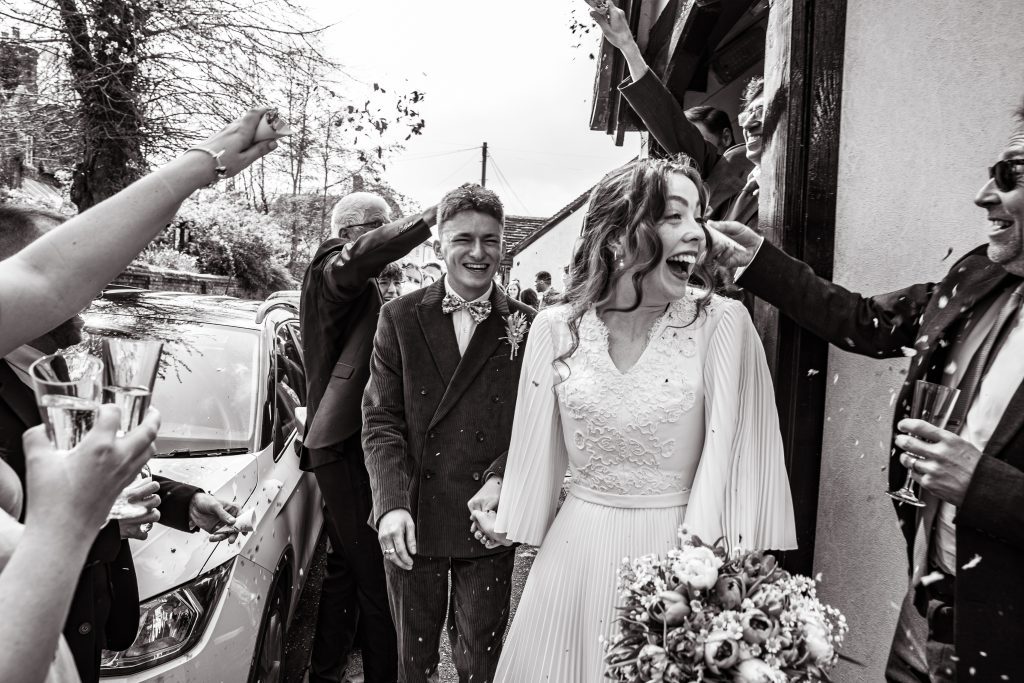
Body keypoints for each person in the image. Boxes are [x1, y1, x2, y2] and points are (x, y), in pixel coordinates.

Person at [705, 101, 1024, 682]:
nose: (983, 196)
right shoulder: (976, 276)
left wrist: (984, 487)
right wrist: (756, 260)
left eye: (1011, 175)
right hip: (925, 609)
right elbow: (864, 322)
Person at [472, 157, 796, 681]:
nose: (697, 233)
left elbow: (737, 459)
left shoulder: (722, 324)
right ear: (616, 235)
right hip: (573, 555)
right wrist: (504, 502)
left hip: (680, 558)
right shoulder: (555, 328)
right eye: (673, 216)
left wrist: (709, 577)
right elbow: (533, 456)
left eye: (699, 216)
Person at [0, 205, 240, 682]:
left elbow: (88, 465)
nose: (94, 287)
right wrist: (107, 525)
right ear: (20, 282)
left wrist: (183, 502)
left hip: (82, 638)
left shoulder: (48, 368)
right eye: (75, 271)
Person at [362, 183, 535, 683]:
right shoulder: (398, 317)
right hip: (413, 515)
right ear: (438, 245)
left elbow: (536, 423)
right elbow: (381, 420)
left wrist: (503, 480)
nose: (478, 253)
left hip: (488, 518)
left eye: (491, 240)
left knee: (479, 661)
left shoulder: (529, 326)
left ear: (504, 246)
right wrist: (390, 504)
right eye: (464, 239)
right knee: (413, 664)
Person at [0, 110, 278, 359]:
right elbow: (46, 280)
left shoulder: (62, 369)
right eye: (70, 258)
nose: (91, 291)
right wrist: (206, 160)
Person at [300, 191, 437, 683]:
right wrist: (423, 219)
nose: (387, 237)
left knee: (345, 568)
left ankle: (325, 670)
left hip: (337, 444)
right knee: (381, 579)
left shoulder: (347, 282)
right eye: (381, 226)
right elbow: (357, 261)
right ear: (354, 230)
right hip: (342, 444)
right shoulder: (331, 269)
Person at [0, 405, 161, 683]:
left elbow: (89, 469)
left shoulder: (56, 367)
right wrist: (86, 526)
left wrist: (187, 502)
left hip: (68, 643)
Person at [587, 0, 761, 226]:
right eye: (748, 113)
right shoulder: (714, 174)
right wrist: (627, 46)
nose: (749, 122)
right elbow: (670, 122)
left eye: (760, 110)